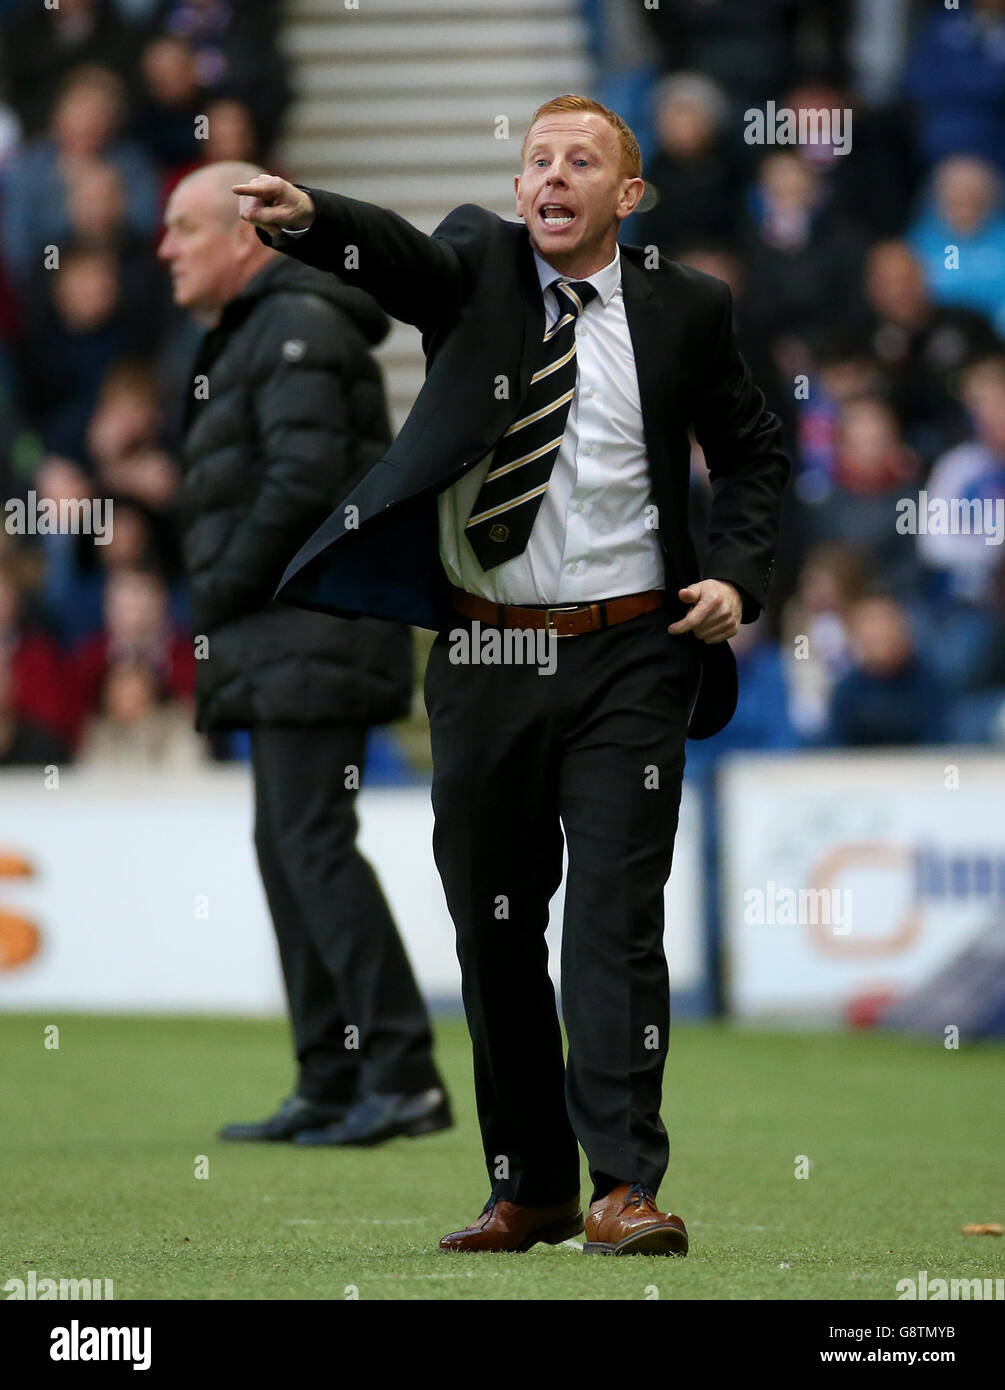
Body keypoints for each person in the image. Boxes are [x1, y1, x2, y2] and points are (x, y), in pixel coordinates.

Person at [234, 95, 789, 1254]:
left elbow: (752, 454)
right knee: (494, 927)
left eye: (581, 160)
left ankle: (624, 1185)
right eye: (538, 158)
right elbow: (393, 258)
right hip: (487, 652)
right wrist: (309, 219)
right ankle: (527, 1182)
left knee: (613, 921)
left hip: (636, 647)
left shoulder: (687, 308)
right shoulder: (477, 267)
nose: (552, 175)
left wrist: (740, 575)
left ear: (627, 197)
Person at [160, 161, 451, 1147]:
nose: (166, 248)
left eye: (183, 228)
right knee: (289, 845)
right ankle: (331, 1075)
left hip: (310, 628)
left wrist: (218, 588)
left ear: (245, 236)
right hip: (285, 636)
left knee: (312, 842)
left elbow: (299, 482)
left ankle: (402, 1073)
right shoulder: (262, 333)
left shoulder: (296, 330)